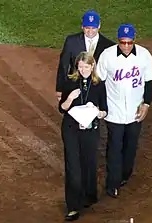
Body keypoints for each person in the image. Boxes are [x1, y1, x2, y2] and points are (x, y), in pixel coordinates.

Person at [96, 24, 152, 198]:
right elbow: (99, 82)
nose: (125, 46)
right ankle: (112, 183)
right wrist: (102, 106)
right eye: (122, 42)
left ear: (134, 40)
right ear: (118, 41)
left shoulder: (144, 55)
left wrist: (147, 104)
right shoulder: (107, 55)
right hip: (113, 111)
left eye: (129, 42)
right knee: (115, 146)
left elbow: (150, 81)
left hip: (135, 111)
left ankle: (124, 175)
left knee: (130, 146)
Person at [59, 51, 108, 221]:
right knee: (73, 166)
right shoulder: (69, 82)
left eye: (86, 66)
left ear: (92, 66)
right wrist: (70, 99)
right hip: (71, 129)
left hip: (90, 128)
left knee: (89, 162)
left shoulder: (99, 85)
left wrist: (99, 112)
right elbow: (62, 108)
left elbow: (104, 109)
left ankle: (89, 195)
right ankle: (73, 206)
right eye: (80, 66)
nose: (83, 70)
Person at [56, 9, 115, 101]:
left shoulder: (108, 45)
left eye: (93, 28)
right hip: (75, 84)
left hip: (97, 87)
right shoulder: (71, 41)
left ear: (99, 26)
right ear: (82, 26)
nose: (90, 31)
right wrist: (60, 88)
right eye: (87, 28)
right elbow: (64, 65)